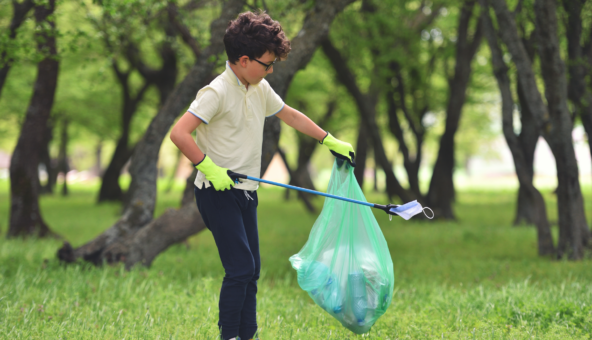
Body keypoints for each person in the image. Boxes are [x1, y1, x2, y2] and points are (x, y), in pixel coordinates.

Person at [170, 11, 355, 340]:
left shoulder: (259, 87)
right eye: (267, 63)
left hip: (246, 191)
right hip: (216, 192)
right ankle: (230, 336)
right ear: (243, 60)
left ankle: (248, 334)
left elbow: (291, 115)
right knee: (239, 268)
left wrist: (328, 139)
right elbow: (180, 133)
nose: (270, 69)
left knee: (251, 270)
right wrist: (209, 167)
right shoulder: (216, 91)